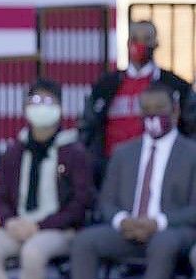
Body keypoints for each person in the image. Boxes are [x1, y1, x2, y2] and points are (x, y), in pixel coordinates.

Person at [67, 82, 196, 279]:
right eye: (146, 110)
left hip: (172, 232)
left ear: (175, 110)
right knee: (84, 242)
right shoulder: (123, 152)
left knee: (162, 243)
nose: (153, 116)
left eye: (159, 109)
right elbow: (105, 202)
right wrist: (122, 220)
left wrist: (157, 222)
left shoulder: (191, 153)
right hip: (127, 231)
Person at [0, 79, 94, 279]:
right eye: (35, 102)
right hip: (19, 225)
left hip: (58, 229)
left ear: (60, 108)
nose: (41, 108)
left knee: (33, 252)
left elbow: (80, 202)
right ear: (26, 107)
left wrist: (41, 226)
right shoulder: (14, 151)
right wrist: (10, 222)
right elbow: (1, 197)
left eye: (48, 102)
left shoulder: (73, 151)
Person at [79, 20, 195, 186]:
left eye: (146, 38)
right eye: (135, 38)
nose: (140, 44)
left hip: (162, 170)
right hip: (111, 170)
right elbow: (87, 127)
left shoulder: (176, 86)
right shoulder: (105, 86)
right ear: (127, 43)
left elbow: (192, 126)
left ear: (156, 44)